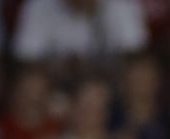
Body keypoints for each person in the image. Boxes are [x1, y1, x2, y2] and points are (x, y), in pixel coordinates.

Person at [12, 0, 149, 84]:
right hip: (54, 88)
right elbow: (25, 60)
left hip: (109, 88)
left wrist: (95, 68)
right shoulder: (40, 5)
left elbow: (136, 58)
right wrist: (59, 67)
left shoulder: (120, 4)